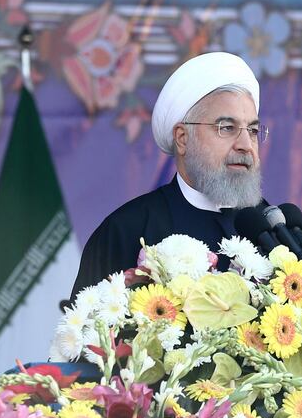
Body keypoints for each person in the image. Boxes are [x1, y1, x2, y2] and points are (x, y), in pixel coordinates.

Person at [69, 52, 267, 299]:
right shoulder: (127, 231)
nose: (246, 144)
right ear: (183, 138)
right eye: (227, 128)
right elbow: (89, 333)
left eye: (253, 130)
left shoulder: (272, 229)